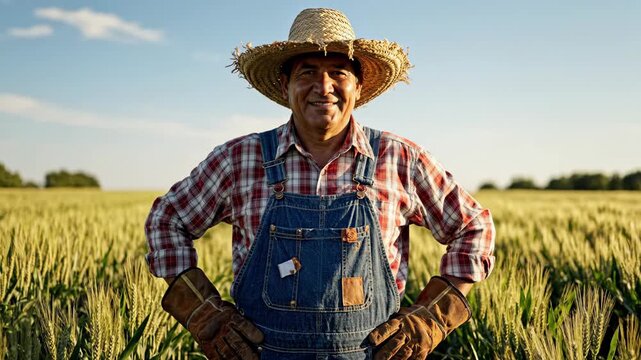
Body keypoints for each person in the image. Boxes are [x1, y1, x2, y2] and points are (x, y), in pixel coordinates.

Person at [145, 8, 495, 360]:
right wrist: (203, 312)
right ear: (286, 85)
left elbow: (474, 227)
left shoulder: (399, 158)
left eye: (337, 73)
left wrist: (433, 316)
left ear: (357, 87)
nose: (323, 87)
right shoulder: (239, 160)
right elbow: (166, 220)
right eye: (307, 72)